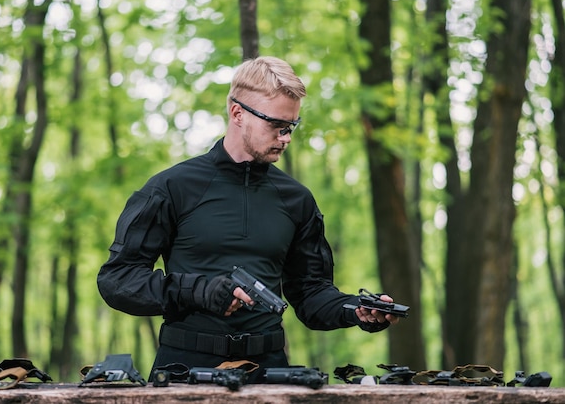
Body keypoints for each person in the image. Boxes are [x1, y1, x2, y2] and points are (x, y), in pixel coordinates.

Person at [97, 56, 399, 383]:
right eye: (276, 125)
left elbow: (310, 294)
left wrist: (354, 310)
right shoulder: (172, 188)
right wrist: (195, 290)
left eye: (291, 126)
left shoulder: (296, 199)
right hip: (182, 369)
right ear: (237, 112)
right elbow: (118, 280)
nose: (286, 137)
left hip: (269, 370)